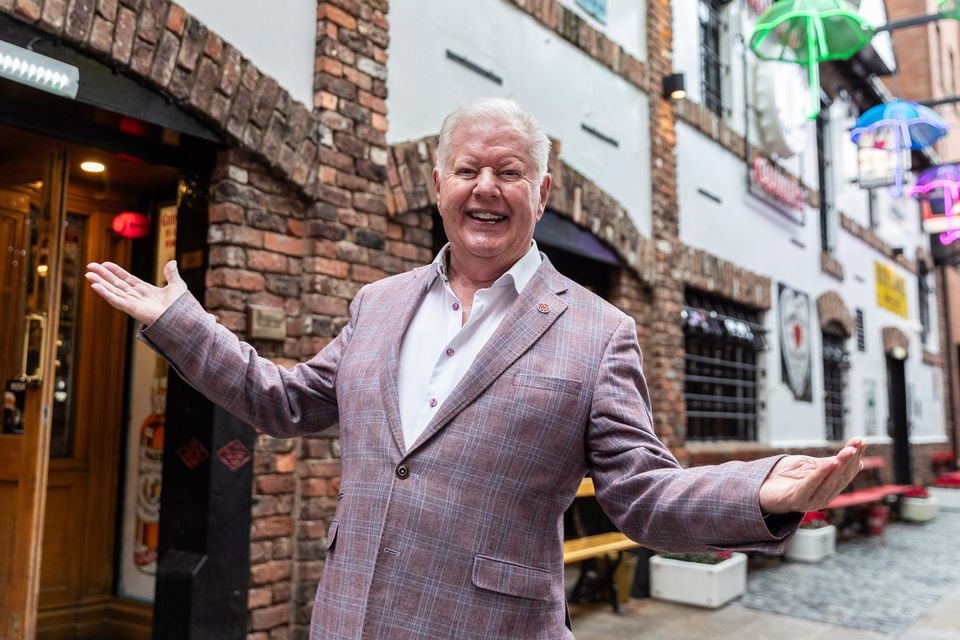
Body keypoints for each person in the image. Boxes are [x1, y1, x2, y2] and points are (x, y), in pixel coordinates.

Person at [87, 97, 866, 639]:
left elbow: (640, 494)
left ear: (543, 192)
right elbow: (285, 401)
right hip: (348, 621)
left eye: (509, 171)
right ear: (437, 186)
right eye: (467, 170)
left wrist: (759, 491)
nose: (486, 188)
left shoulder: (600, 332)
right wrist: (182, 327)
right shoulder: (379, 304)